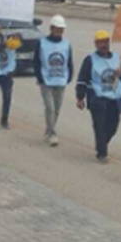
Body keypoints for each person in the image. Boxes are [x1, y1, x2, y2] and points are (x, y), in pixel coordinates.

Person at [76, 30, 121, 163]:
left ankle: (102, 143)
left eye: (105, 42)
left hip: (114, 98)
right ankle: (102, 153)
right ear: (96, 44)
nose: (103, 45)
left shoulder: (117, 58)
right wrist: (80, 97)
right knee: (99, 125)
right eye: (100, 42)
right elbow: (82, 79)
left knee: (113, 125)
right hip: (97, 97)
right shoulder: (90, 60)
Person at [35, 15, 73, 147]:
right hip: (46, 80)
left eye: (62, 29)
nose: (60, 31)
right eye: (57, 29)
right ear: (51, 28)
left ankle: (48, 129)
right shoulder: (42, 43)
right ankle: (52, 133)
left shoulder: (66, 44)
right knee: (50, 108)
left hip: (61, 80)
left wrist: (70, 75)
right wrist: (39, 77)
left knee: (57, 109)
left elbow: (69, 61)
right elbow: (37, 61)